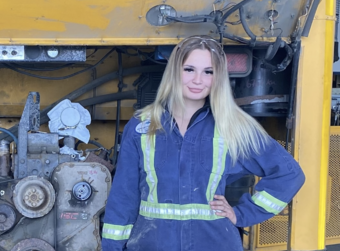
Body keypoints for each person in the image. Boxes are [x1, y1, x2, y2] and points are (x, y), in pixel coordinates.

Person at [101, 35, 305, 251]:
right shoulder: (142, 126)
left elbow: (289, 174)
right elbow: (124, 196)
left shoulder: (232, 126)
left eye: (208, 72)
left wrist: (241, 214)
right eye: (189, 69)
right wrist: (113, 246)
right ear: (174, 72)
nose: (198, 80)